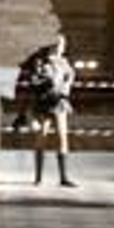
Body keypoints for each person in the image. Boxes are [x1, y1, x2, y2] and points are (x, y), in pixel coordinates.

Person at [16, 37, 78, 188]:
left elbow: (69, 79)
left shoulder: (64, 62)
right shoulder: (41, 61)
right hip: (43, 102)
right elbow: (33, 81)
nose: (61, 47)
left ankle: (64, 177)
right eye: (59, 44)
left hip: (59, 102)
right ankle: (38, 178)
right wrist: (44, 82)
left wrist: (66, 87)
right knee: (41, 137)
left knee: (62, 138)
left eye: (63, 44)